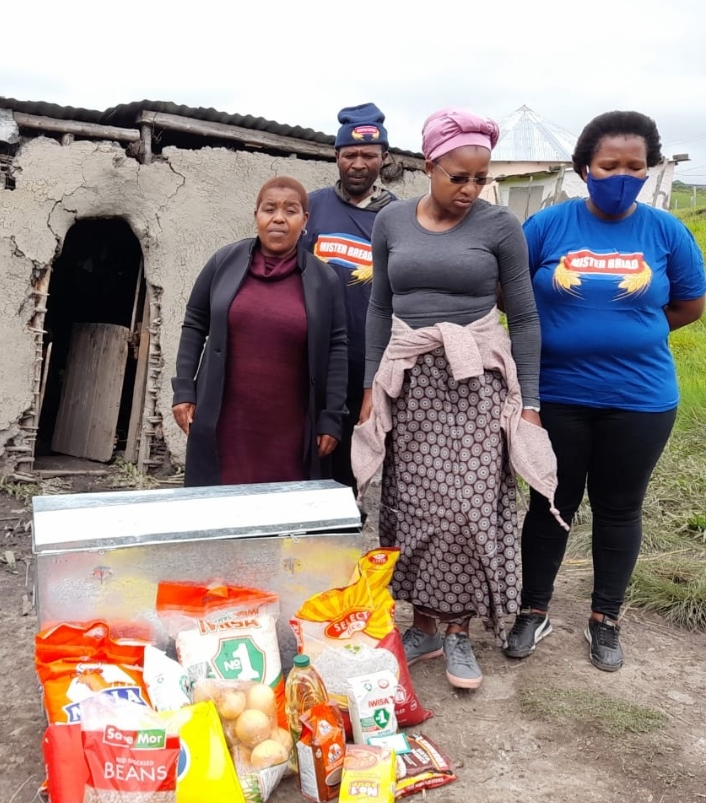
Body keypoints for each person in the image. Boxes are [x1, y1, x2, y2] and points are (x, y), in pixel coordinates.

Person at [352, 109, 563, 690]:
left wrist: (529, 401)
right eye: (459, 177)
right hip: (411, 381)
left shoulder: (500, 227)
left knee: (469, 509)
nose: (470, 189)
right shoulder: (391, 221)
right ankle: (422, 625)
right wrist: (371, 386)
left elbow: (524, 317)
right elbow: (379, 306)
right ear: (429, 167)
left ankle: (458, 631)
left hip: (476, 382)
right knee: (414, 506)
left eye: (480, 179)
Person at [504, 111, 705, 672]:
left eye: (634, 166)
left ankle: (606, 619)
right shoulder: (547, 226)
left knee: (619, 508)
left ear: (649, 169)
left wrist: (634, 334)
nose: (621, 175)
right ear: (584, 169)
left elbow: (690, 304)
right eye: (609, 164)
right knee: (551, 502)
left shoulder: (666, 232)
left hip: (639, 399)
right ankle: (533, 609)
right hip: (556, 394)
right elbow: (509, 294)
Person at [171, 176, 349, 487]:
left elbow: (337, 347)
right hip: (224, 421)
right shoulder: (223, 262)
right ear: (256, 215)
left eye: (290, 211)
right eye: (269, 209)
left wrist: (331, 416)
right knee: (218, 503)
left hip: (291, 429)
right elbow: (195, 322)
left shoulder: (324, 280)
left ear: (305, 220)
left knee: (282, 508)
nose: (279, 218)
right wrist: (184, 389)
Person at [303, 103, 397, 494]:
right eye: (350, 155)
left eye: (369, 155)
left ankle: (345, 524)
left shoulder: (398, 217)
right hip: (312, 359)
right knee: (305, 454)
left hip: (367, 365)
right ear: (336, 156)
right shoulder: (311, 207)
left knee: (350, 465)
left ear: (384, 158)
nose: (358, 164)